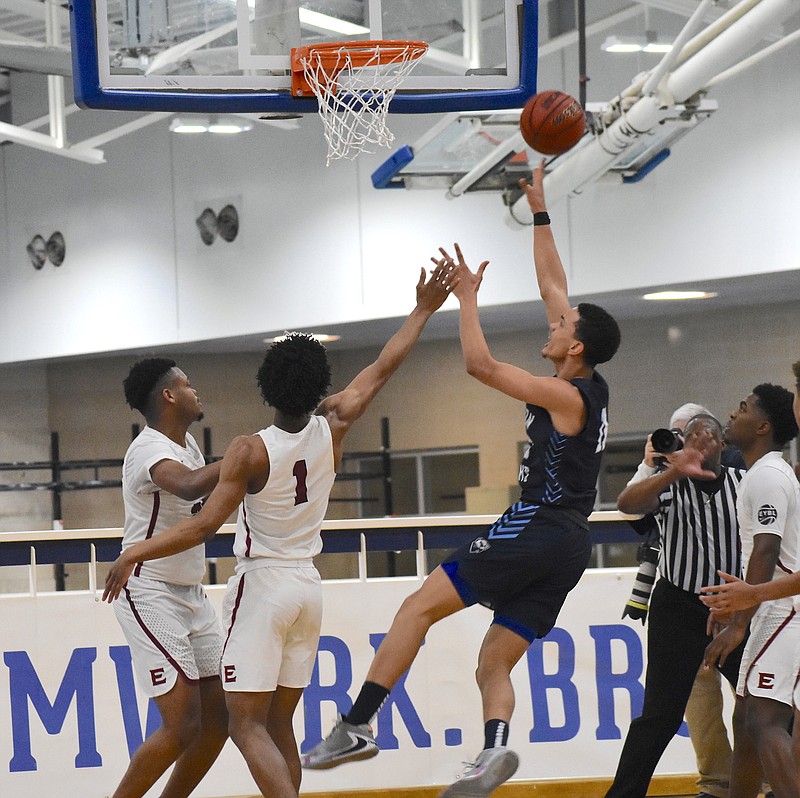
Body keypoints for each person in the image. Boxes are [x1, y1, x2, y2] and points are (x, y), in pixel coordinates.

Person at [302, 158, 621, 798]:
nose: (551, 322)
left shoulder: (566, 396)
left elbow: (479, 365)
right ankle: (492, 754)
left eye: (561, 326)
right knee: (494, 659)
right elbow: (555, 282)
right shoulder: (587, 381)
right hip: (571, 546)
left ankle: (359, 724)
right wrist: (538, 209)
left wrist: (467, 300)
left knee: (416, 607)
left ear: (576, 346)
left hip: (537, 526)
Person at [102, 264, 454, 798]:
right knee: (276, 723)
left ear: (268, 384)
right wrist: (424, 309)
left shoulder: (248, 449)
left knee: (245, 725)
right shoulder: (335, 422)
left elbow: (203, 526)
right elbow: (383, 366)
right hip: (308, 585)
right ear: (320, 385)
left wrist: (134, 552)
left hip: (262, 585)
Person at [604, 413, 748, 798]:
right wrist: (667, 469)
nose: (700, 442)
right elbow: (627, 505)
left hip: (734, 607)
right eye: (691, 436)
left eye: (708, 435)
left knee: (760, 707)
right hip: (677, 605)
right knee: (660, 715)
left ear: (721, 444)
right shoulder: (669, 486)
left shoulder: (744, 483)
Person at [109, 358, 227, 798]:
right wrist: (241, 456)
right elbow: (191, 486)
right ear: (168, 396)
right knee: (182, 724)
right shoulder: (147, 449)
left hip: (191, 594)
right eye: (187, 383)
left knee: (220, 720)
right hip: (148, 589)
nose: (196, 390)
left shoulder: (189, 444)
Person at [703, 384, 800, 798]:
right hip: (771, 610)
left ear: (762, 426)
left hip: (784, 612)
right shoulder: (760, 474)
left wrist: (739, 622)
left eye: (742, 408)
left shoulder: (769, 476)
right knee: (746, 723)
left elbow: (766, 548)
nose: (732, 412)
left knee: (763, 722)